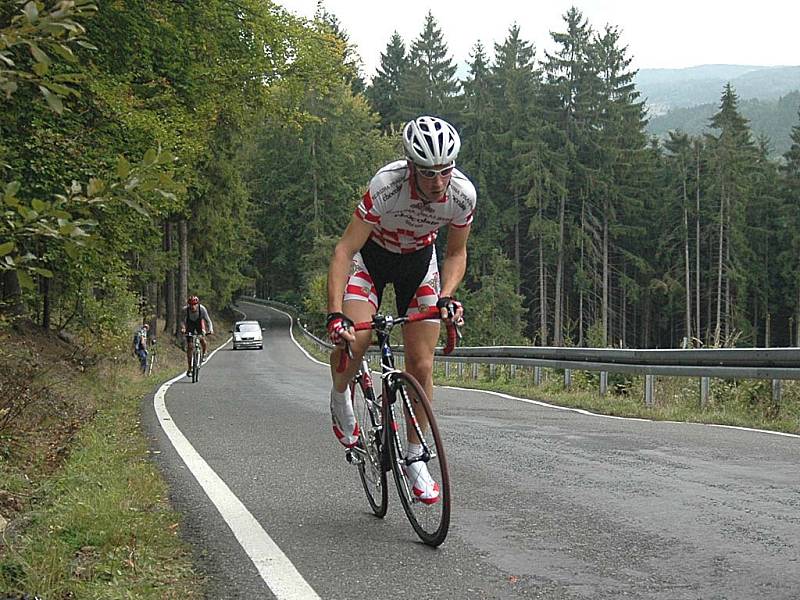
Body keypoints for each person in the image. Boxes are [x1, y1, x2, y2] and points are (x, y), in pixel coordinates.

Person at [325, 115, 475, 504]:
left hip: (418, 263)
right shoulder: (385, 187)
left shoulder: (462, 195)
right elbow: (344, 250)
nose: (438, 182)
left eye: (445, 171)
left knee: (422, 366)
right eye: (427, 174)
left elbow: (456, 253)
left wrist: (448, 296)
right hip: (371, 260)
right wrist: (334, 312)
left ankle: (414, 458)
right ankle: (341, 396)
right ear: (410, 167)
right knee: (356, 339)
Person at [180, 295, 214, 377]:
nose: (193, 306)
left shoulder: (202, 309)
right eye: (191, 305)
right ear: (188, 305)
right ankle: (189, 368)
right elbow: (181, 321)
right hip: (190, 325)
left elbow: (208, 321)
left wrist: (210, 329)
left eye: (194, 304)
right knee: (190, 346)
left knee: (202, 338)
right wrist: (183, 328)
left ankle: (204, 352)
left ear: (197, 304)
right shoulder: (185, 310)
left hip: (199, 324)